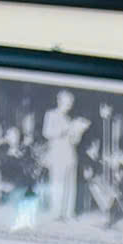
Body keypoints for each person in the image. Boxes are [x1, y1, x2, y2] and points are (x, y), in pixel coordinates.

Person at [41, 87, 90, 225]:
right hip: (57, 154)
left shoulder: (69, 119)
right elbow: (47, 133)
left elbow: (74, 141)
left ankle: (68, 213)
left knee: (70, 185)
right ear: (59, 101)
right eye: (67, 102)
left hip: (70, 154)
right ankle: (56, 214)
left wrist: (79, 131)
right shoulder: (51, 114)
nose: (69, 105)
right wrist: (66, 129)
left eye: (71, 103)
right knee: (58, 184)